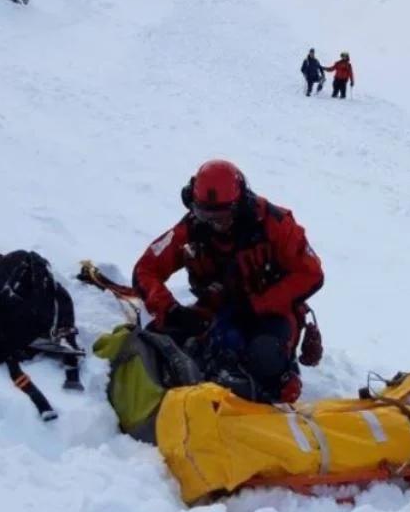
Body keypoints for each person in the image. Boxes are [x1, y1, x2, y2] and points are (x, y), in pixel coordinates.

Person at [132, 160, 324, 403]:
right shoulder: (191, 228)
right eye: (205, 215)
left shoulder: (275, 225)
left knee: (265, 360)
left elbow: (310, 274)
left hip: (273, 314)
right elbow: (146, 269)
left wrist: (258, 305)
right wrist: (170, 310)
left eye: (222, 216)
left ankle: (276, 383)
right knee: (164, 343)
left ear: (240, 205)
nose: (215, 224)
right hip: (217, 313)